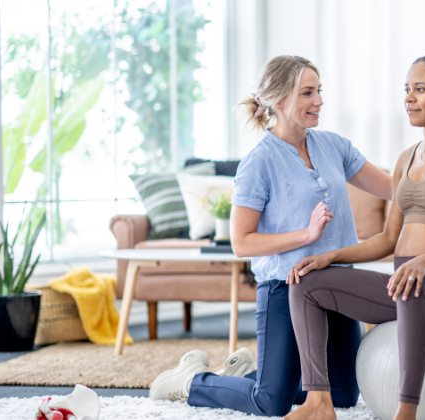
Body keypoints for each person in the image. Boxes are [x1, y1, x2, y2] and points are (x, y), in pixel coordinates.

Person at [148, 55, 393, 417]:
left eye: (319, 91)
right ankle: (193, 381)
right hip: (286, 287)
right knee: (270, 402)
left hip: (338, 283)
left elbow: (392, 188)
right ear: (279, 101)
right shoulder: (258, 162)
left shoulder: (334, 146)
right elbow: (242, 242)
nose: (319, 101)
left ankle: (250, 374)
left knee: (341, 396)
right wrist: (305, 234)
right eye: (307, 92)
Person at [285, 53, 425, 420]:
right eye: (407, 90)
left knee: (412, 285)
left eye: (420, 89)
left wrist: (424, 262)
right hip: (411, 288)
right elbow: (388, 239)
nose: (409, 98)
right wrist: (329, 257)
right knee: (306, 283)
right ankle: (318, 402)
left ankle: (406, 412)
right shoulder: (407, 158)